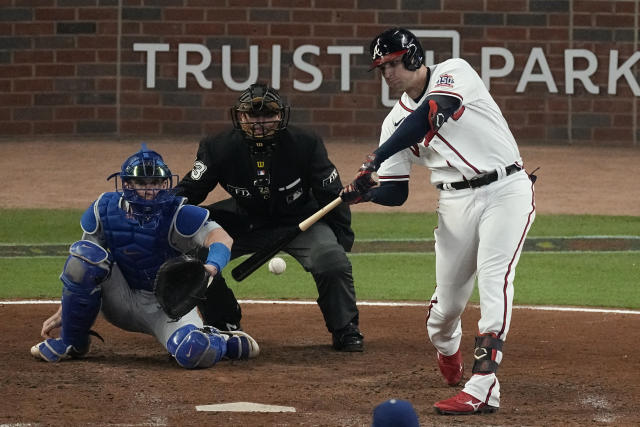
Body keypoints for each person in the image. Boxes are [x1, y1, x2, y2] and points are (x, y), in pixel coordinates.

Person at [342, 28, 536, 414]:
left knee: (495, 278)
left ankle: (483, 385)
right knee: (444, 312)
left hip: (506, 189)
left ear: (414, 57)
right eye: (382, 68)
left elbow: (430, 114)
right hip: (454, 204)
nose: (389, 73)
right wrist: (366, 194)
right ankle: (448, 350)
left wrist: (375, 158)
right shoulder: (392, 123)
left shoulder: (454, 72)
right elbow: (396, 193)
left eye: (394, 63)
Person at [31, 144, 259, 369]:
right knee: (85, 255)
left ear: (165, 183)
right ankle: (73, 343)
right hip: (119, 298)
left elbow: (221, 238)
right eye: (142, 182)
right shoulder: (103, 208)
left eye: (157, 183)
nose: (151, 189)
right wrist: (67, 311)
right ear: (127, 184)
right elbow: (81, 264)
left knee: (195, 354)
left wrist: (212, 266)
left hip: (168, 306)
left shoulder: (178, 213)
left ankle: (220, 341)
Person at [174, 83, 363, 352]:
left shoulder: (305, 144)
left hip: (300, 221)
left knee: (331, 260)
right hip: (244, 219)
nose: (260, 122)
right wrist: (162, 211)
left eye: (268, 115)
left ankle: (345, 328)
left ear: (280, 116)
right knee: (194, 256)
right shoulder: (218, 147)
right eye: (253, 116)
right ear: (241, 117)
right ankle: (224, 323)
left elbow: (331, 194)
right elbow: (191, 190)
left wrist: (342, 238)